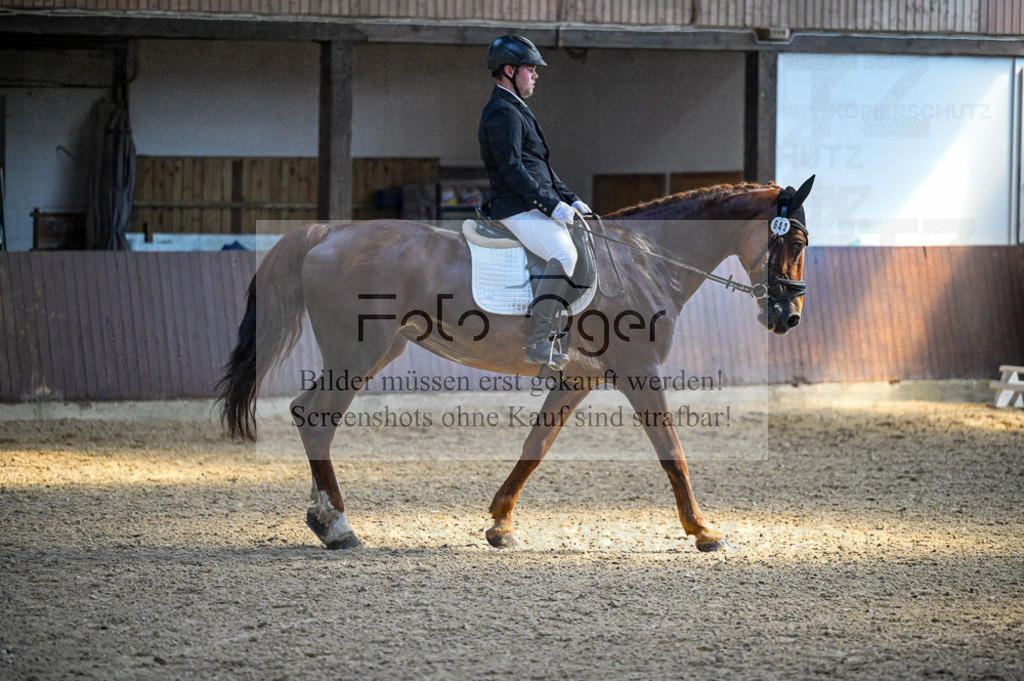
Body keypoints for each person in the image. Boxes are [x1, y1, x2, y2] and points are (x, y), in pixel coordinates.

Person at [477, 35, 592, 370]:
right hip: (514, 207)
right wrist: (550, 206)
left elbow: (540, 167)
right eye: (530, 69)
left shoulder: (516, 108)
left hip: (529, 203)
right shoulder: (502, 111)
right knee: (564, 254)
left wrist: (570, 199)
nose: (536, 75)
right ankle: (539, 339)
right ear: (508, 70)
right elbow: (512, 169)